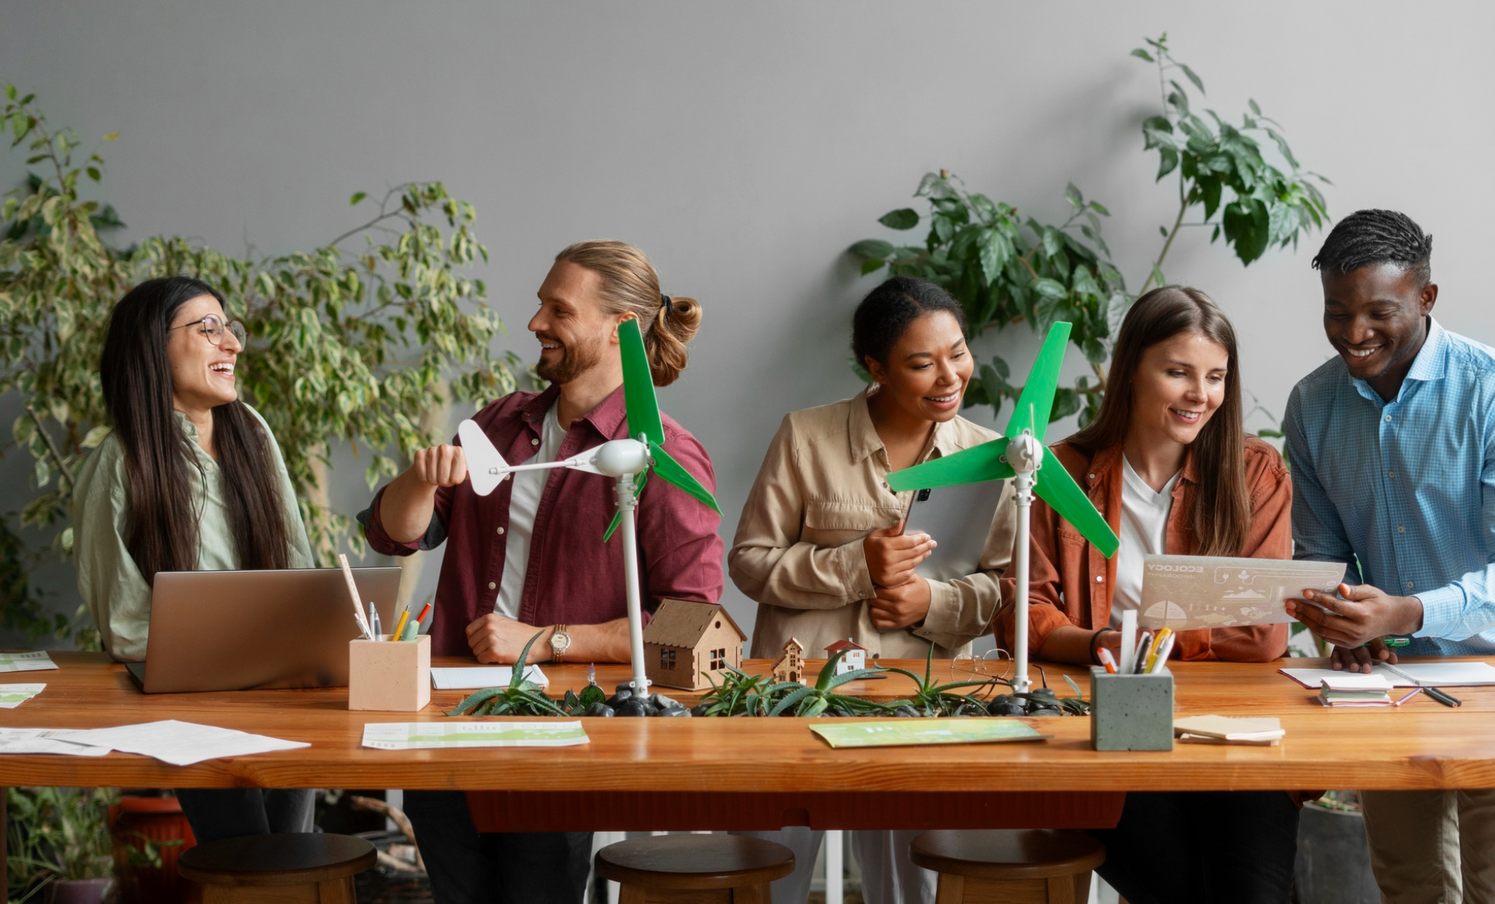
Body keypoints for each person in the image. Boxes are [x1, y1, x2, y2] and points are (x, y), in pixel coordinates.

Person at [360, 239, 723, 904]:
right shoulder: (499, 423)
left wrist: (546, 638)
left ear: (621, 329)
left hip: (559, 733)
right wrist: (418, 481)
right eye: (539, 305)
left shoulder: (658, 454)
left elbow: (692, 626)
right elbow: (393, 534)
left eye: (558, 309)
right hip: (451, 722)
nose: (534, 324)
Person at [1283, 209, 1495, 903]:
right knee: (1407, 888)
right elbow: (1322, 558)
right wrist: (1339, 621)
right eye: (1336, 311)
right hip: (1387, 687)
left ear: (1426, 298)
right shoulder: (1312, 406)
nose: (1354, 333)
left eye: (1379, 311)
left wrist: (1405, 612)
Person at [993, 285, 1297, 904]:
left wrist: (1129, 642)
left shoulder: (1256, 472)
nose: (1200, 395)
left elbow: (1261, 633)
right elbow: (1022, 613)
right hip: (1106, 732)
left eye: (1215, 377)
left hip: (1232, 731)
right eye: (1178, 372)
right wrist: (1107, 644)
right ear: (1131, 368)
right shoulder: (1058, 472)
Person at [729, 276, 1013, 904]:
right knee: (766, 876)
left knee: (915, 886)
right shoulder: (806, 436)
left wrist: (931, 603)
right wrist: (861, 564)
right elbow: (750, 563)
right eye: (922, 363)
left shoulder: (992, 454)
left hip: (925, 705)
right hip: (797, 702)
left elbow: (1005, 588)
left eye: (957, 353)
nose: (949, 377)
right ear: (876, 368)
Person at [73, 276, 316, 843]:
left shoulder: (253, 432)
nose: (231, 343)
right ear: (150, 347)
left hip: (287, 689)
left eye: (231, 329)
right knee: (247, 859)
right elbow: (127, 626)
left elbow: (299, 571)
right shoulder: (120, 464)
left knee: (296, 852)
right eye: (208, 329)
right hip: (188, 708)